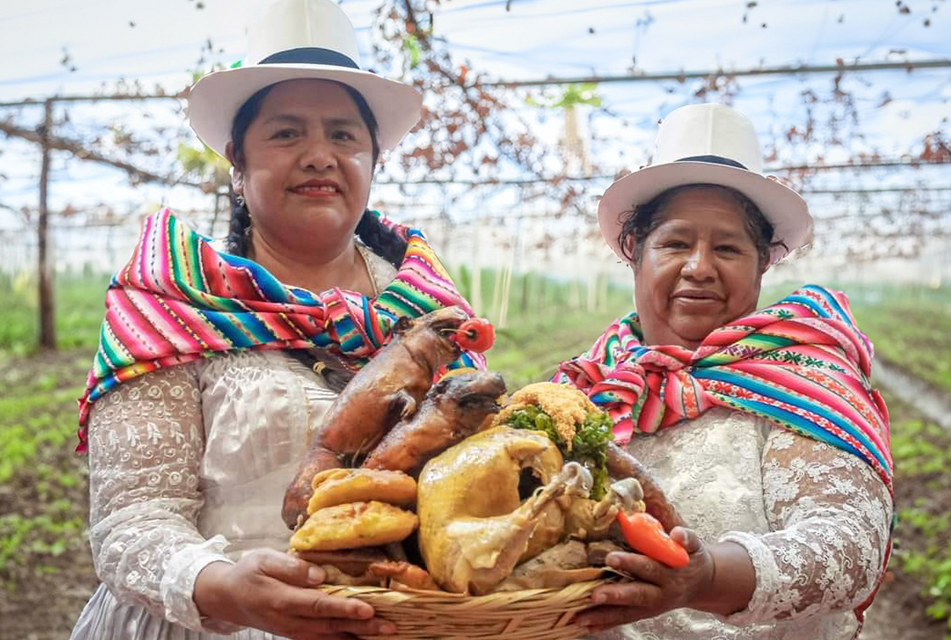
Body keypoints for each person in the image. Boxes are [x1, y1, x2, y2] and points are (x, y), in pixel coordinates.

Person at [68, 1, 482, 639]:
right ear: (238, 163)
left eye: (343, 135)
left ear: (373, 160)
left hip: (401, 616)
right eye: (287, 133)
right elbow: (131, 521)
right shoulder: (175, 298)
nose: (320, 154)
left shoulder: (431, 308)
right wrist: (219, 587)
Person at [556, 103, 894, 640]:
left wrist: (706, 576)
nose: (699, 267)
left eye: (729, 248)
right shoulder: (590, 386)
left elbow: (850, 545)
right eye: (674, 243)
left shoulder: (799, 376)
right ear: (635, 255)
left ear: (761, 266)